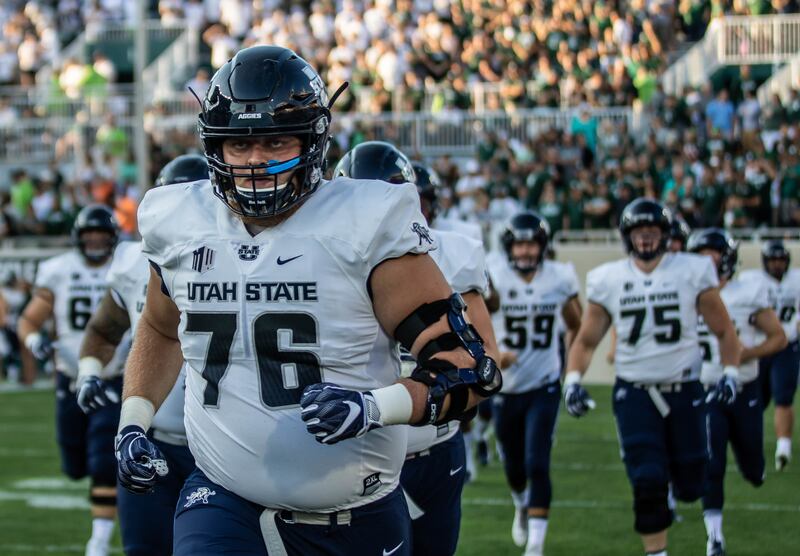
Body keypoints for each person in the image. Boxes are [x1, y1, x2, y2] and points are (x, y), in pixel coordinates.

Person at [114, 45, 501, 556]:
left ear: (312, 142)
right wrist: (132, 423)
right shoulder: (180, 220)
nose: (255, 161)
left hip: (355, 515)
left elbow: (467, 369)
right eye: (240, 145)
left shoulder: (364, 223)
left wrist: (372, 408)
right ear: (215, 148)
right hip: (222, 500)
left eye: (275, 142)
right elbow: (162, 329)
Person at [334, 143, 498, 556]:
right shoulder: (324, 251)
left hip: (430, 443)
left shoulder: (453, 251)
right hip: (355, 452)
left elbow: (483, 361)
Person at [564, 199, 741, 556]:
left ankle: (681, 485)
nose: (645, 240)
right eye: (639, 233)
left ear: (665, 235)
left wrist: (731, 373)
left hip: (685, 389)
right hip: (635, 393)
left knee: (693, 483)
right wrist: (573, 380)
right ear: (628, 237)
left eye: (653, 232)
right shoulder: (608, 278)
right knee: (646, 480)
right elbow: (586, 338)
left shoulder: (692, 270)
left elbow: (724, 331)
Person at [77, 155, 208, 556]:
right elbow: (103, 329)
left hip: (222, 449)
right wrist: (88, 372)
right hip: (150, 439)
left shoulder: (248, 257)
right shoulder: (134, 263)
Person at [17, 205, 121, 556]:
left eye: (101, 236)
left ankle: (99, 541)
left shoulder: (126, 266)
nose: (94, 242)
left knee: (103, 459)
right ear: (77, 238)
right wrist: (35, 341)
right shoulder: (58, 270)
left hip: (113, 375)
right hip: (70, 376)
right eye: (88, 236)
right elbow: (29, 321)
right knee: (74, 465)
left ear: (113, 239)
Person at [489, 211, 582, 556]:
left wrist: (569, 364)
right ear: (510, 248)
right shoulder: (493, 276)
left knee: (537, 462)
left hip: (544, 383)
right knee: (514, 467)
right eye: (521, 245)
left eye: (532, 244)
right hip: (506, 386)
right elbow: (470, 322)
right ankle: (520, 504)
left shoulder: (559, 278)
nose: (526, 252)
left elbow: (577, 323)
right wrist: (494, 354)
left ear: (542, 246)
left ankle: (536, 546)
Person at [689, 229, 786, 556]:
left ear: (726, 257)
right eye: (700, 254)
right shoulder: (686, 291)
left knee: (752, 467)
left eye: (712, 254)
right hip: (708, 389)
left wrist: (749, 353)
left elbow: (778, 338)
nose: (707, 261)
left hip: (745, 389)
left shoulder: (749, 291)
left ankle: (754, 468)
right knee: (711, 461)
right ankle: (714, 537)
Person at [741, 239, 800, 471]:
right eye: (773, 260)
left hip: (786, 346)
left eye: (781, 260)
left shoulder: (796, 279)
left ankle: (783, 447)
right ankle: (748, 442)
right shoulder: (751, 281)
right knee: (756, 400)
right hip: (760, 347)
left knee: (784, 396)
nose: (777, 264)